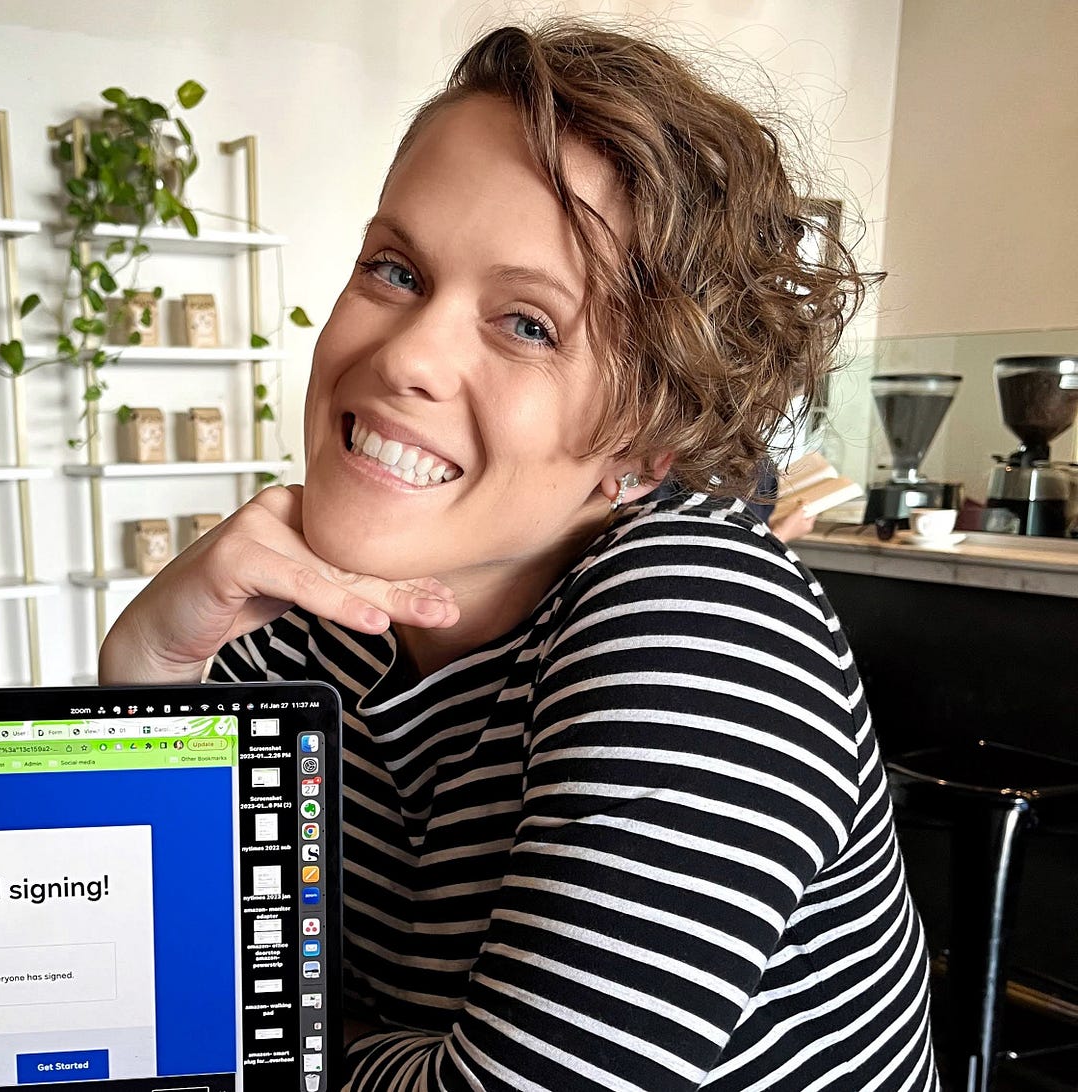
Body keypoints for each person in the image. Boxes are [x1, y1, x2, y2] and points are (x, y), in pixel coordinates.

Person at [101, 20, 938, 1091]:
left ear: (644, 447)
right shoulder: (287, 623)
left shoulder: (695, 619)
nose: (405, 355)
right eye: (394, 269)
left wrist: (294, 1045)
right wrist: (148, 667)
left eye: (529, 326)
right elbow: (134, 983)